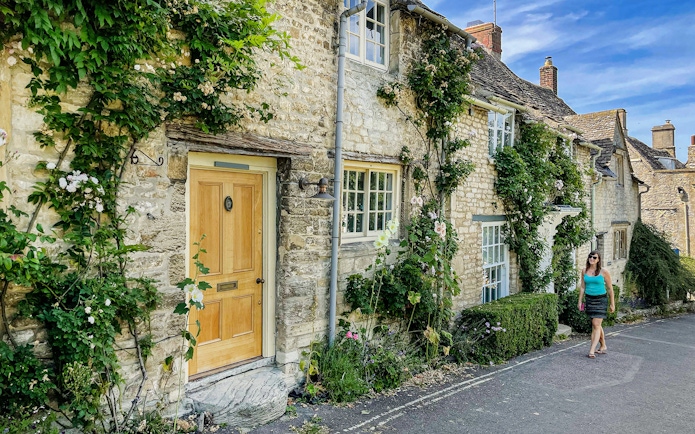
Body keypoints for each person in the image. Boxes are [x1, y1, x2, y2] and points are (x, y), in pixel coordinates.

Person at [578, 250, 615, 359]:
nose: (592, 259)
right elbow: (582, 287)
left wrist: (612, 304)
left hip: (601, 300)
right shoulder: (584, 271)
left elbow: (610, 289)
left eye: (594, 257)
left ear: (598, 260)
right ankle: (603, 345)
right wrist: (580, 301)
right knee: (596, 325)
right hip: (590, 299)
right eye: (590, 257)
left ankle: (592, 350)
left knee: (596, 324)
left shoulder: (604, 272)